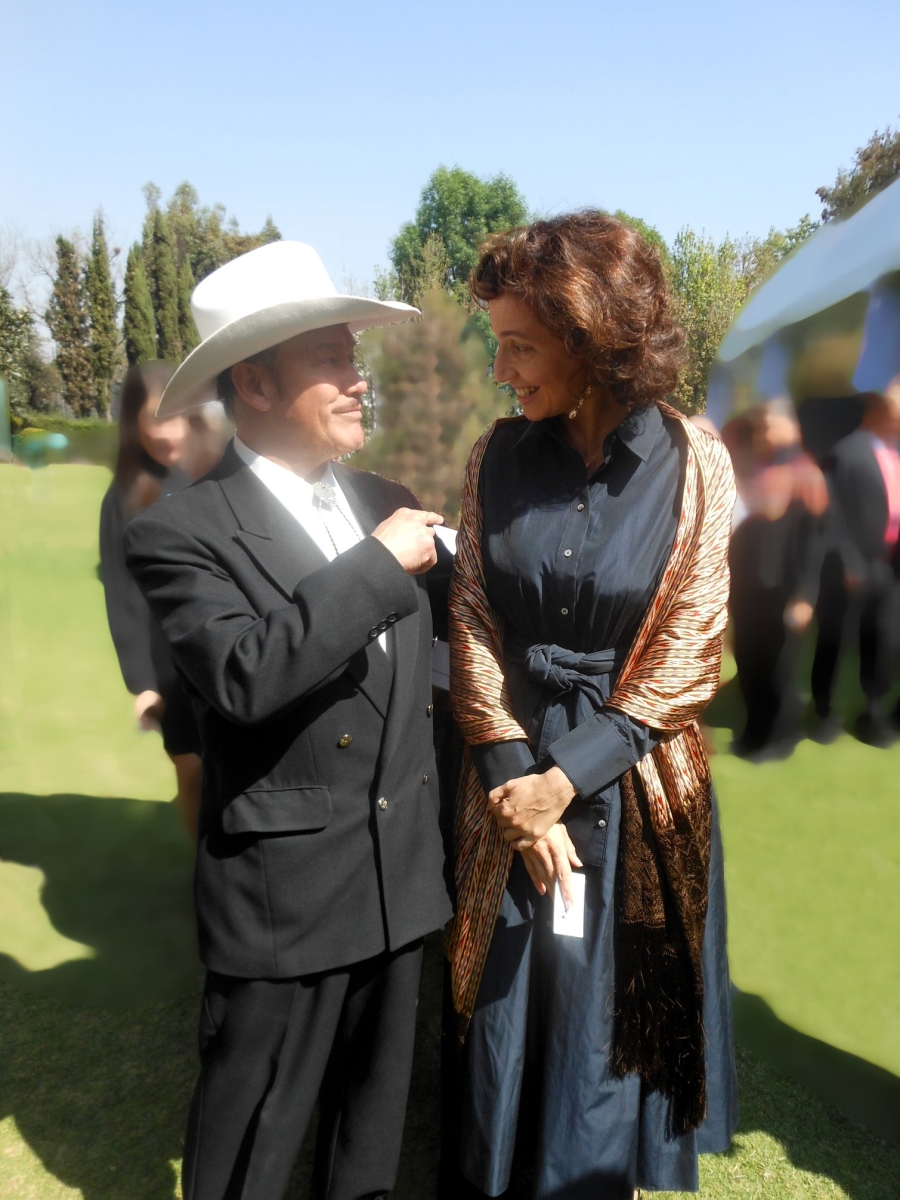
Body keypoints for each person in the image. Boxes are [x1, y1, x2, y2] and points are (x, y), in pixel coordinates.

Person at [124, 240, 454, 1200]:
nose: (362, 379)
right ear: (257, 383)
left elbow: (423, 669)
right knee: (249, 1158)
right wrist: (380, 568)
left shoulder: (382, 504)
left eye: (358, 356)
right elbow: (242, 674)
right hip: (285, 904)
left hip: (397, 886)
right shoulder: (181, 533)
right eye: (336, 359)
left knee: (368, 1148)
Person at [445, 213, 738, 1198]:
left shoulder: (695, 462)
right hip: (510, 793)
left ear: (590, 338)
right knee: (508, 1024)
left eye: (518, 345)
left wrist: (570, 777)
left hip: (640, 795)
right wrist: (514, 782)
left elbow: (694, 645)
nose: (500, 370)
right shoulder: (495, 459)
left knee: (610, 1047)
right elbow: (476, 622)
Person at [99, 362, 203, 839]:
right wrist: (142, 683)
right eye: (156, 419)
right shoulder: (124, 498)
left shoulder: (210, 477)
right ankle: (207, 883)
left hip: (223, 652)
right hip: (170, 668)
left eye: (178, 417)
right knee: (193, 774)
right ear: (133, 422)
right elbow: (122, 596)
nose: (169, 431)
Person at [728, 399, 829, 758]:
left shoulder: (807, 476)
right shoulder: (756, 474)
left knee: (778, 667)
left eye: (772, 425)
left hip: (783, 592)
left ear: (792, 429)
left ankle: (779, 738)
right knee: (750, 661)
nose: (764, 433)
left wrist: (805, 594)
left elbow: (814, 542)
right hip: (748, 591)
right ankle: (754, 734)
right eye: (760, 428)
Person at [811, 385, 900, 746]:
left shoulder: (896, 452)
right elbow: (833, 514)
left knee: (882, 641)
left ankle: (873, 711)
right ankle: (824, 712)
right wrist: (848, 561)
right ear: (880, 409)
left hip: (890, 567)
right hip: (852, 568)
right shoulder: (845, 452)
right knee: (835, 639)